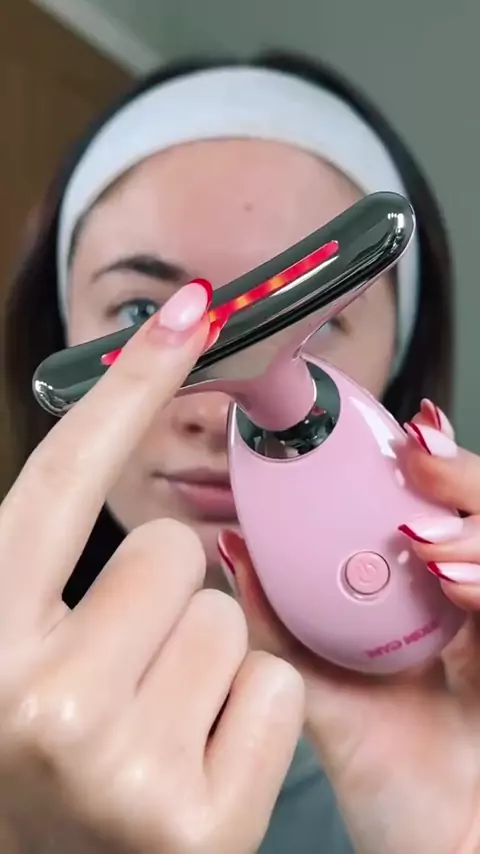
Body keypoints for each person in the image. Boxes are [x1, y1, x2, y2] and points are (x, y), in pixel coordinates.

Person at [1, 49, 478, 854]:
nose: (219, 403)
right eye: (141, 312)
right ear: (62, 331)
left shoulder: (445, 765)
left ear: (396, 367)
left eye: (312, 314)